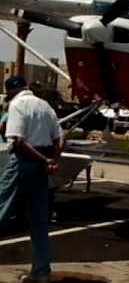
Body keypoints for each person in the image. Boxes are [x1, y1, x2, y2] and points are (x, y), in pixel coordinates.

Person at [0, 76, 63, 283]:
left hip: (24, 162)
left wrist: (44, 159)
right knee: (38, 221)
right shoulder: (45, 106)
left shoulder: (18, 104)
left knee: (1, 207)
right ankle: (41, 272)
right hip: (42, 167)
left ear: (10, 91)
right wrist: (52, 160)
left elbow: (18, 141)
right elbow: (59, 138)